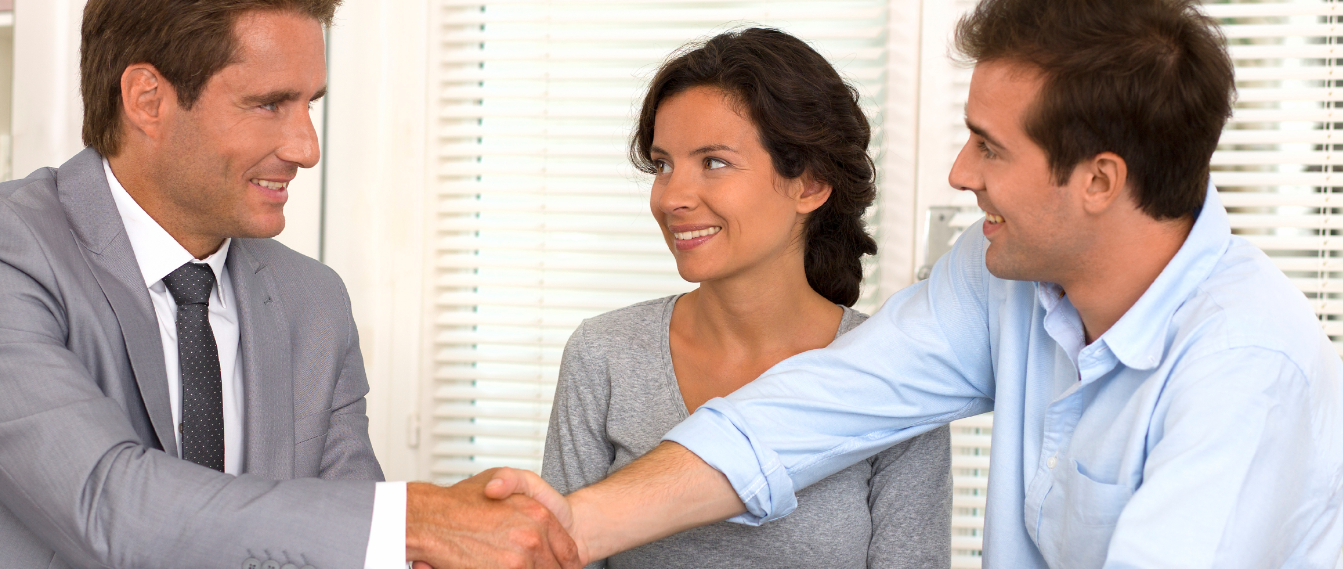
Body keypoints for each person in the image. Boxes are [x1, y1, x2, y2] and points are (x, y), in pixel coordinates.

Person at [485, 0, 1343, 567]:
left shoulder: (1243, 364)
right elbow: (810, 408)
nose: (960, 173)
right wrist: (568, 526)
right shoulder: (1001, 276)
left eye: (989, 146)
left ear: (1098, 179)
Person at [0, 1, 577, 568]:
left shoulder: (315, 300)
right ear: (148, 99)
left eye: (309, 105)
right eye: (269, 104)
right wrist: (417, 521)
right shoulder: (14, 252)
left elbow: (351, 543)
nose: (306, 149)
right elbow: (107, 505)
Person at [541, 28, 951, 569]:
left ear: (810, 184)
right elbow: (558, 551)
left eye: (714, 161)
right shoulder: (605, 355)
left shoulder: (896, 373)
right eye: (663, 164)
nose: (672, 197)